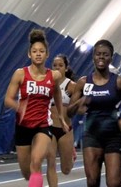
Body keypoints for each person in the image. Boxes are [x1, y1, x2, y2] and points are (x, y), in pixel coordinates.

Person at [4, 29, 69, 187]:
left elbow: (57, 95)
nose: (38, 54)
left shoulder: (54, 76)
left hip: (43, 126)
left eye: (41, 51)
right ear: (29, 54)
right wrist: (19, 107)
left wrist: (61, 117)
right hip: (23, 126)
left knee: (36, 161)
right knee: (27, 173)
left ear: (47, 55)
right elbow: (7, 99)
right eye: (34, 51)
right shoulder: (20, 74)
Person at [67, 39, 121, 187]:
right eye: (98, 54)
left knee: (114, 183)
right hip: (92, 136)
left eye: (105, 55)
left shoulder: (119, 82)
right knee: (92, 181)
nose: (101, 58)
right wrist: (80, 102)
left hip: (113, 136)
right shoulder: (83, 82)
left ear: (111, 58)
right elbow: (69, 112)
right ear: (93, 56)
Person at [46, 54, 77, 187]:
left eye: (60, 65)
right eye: (55, 65)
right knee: (50, 162)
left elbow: (74, 110)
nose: (57, 68)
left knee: (66, 169)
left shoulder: (72, 86)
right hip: (49, 128)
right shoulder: (46, 83)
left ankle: (71, 155)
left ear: (66, 68)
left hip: (65, 130)